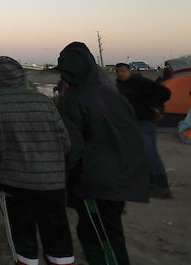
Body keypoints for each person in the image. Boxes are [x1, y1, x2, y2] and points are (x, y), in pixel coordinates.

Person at [56, 42, 148, 265]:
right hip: (122, 177)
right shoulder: (112, 95)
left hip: (95, 184)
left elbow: (71, 149)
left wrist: (60, 180)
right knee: (103, 233)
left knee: (102, 241)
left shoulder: (73, 102)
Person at [0, 56, 75, 265]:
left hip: (16, 186)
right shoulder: (43, 101)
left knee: (24, 244)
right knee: (59, 242)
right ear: (21, 76)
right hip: (53, 185)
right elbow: (65, 142)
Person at [114, 62, 172, 197]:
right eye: (117, 71)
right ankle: (150, 183)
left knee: (150, 153)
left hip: (145, 122)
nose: (120, 74)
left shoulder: (140, 82)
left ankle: (162, 186)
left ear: (129, 71)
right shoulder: (120, 86)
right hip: (131, 123)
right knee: (140, 154)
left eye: (123, 71)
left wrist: (152, 105)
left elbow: (165, 92)